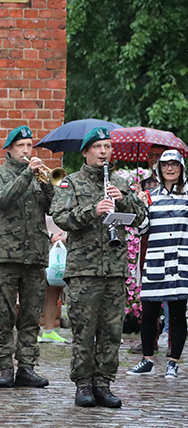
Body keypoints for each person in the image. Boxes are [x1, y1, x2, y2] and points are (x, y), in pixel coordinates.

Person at [50, 126, 147, 408]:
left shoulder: (119, 182)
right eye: (97, 147)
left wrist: (123, 199)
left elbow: (140, 217)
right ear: (86, 152)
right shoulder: (72, 183)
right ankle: (83, 385)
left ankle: (103, 383)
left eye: (107, 147)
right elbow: (61, 217)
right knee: (84, 330)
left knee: (111, 331)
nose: (103, 152)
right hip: (84, 270)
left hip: (114, 271)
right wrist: (93, 211)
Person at [0, 125, 54, 389]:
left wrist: (47, 186)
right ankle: (4, 367)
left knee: (30, 315)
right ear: (10, 149)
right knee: (3, 314)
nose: (26, 150)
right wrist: (27, 175)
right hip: (4, 256)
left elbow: (55, 207)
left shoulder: (39, 177)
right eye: (21, 146)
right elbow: (0, 200)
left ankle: (26, 366)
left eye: (29, 145)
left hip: (35, 255)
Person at [126, 149, 187, 379]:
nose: (169, 169)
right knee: (149, 312)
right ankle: (147, 359)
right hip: (156, 262)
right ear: (159, 169)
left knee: (178, 312)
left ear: (181, 169)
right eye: (165, 165)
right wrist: (140, 207)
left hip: (181, 262)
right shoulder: (151, 196)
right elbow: (142, 230)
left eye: (174, 165)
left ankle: (173, 362)